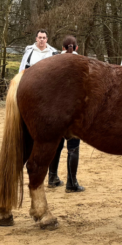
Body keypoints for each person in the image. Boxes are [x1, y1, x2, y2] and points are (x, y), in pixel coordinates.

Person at [48, 36, 86, 192]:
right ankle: (72, 182)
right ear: (76, 48)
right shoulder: (83, 63)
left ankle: (52, 177)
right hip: (73, 110)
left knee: (56, 144)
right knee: (73, 146)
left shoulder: (53, 62)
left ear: (62, 48)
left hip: (55, 110)